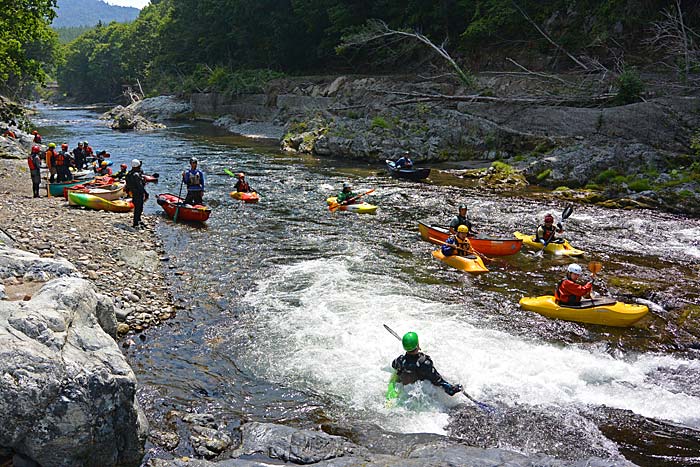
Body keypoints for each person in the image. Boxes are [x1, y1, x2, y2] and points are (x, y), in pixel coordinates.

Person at [391, 332, 463, 396]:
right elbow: (437, 380)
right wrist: (451, 389)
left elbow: (393, 365)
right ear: (417, 345)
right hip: (422, 391)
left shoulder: (400, 360)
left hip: (407, 387)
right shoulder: (424, 363)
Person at [126, 159, 147, 229]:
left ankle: (138, 220)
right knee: (139, 208)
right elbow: (140, 186)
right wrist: (146, 193)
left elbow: (128, 184)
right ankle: (136, 222)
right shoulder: (136, 175)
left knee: (137, 207)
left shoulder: (129, 174)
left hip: (133, 193)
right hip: (138, 193)